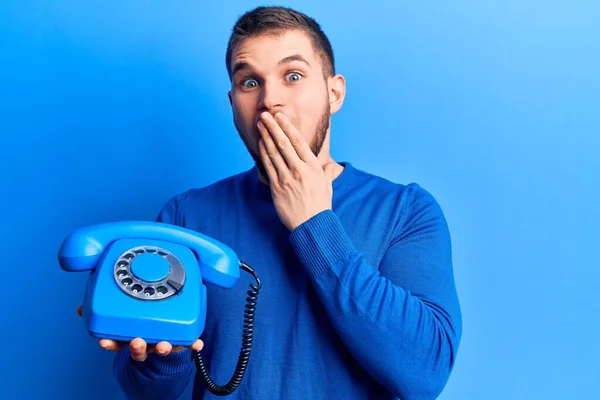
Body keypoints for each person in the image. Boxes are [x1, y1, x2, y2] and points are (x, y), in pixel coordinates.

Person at [85, 5, 462, 399]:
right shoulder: (185, 216)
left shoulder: (405, 211)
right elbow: (151, 392)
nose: (270, 100)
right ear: (234, 103)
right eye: (250, 83)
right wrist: (165, 356)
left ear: (334, 93)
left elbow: (426, 373)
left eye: (293, 76)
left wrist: (315, 223)